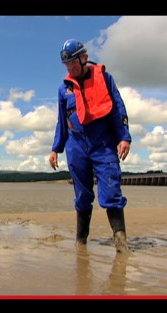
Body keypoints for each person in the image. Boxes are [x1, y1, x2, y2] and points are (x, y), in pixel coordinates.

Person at [49, 39, 131, 253]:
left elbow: (118, 108)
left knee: (112, 191)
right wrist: (56, 149)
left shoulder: (104, 78)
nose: (71, 68)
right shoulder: (63, 89)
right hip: (76, 146)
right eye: (67, 65)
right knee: (82, 197)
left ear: (84, 58)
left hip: (103, 143)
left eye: (74, 63)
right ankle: (81, 244)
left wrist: (124, 136)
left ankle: (121, 245)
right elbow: (61, 120)